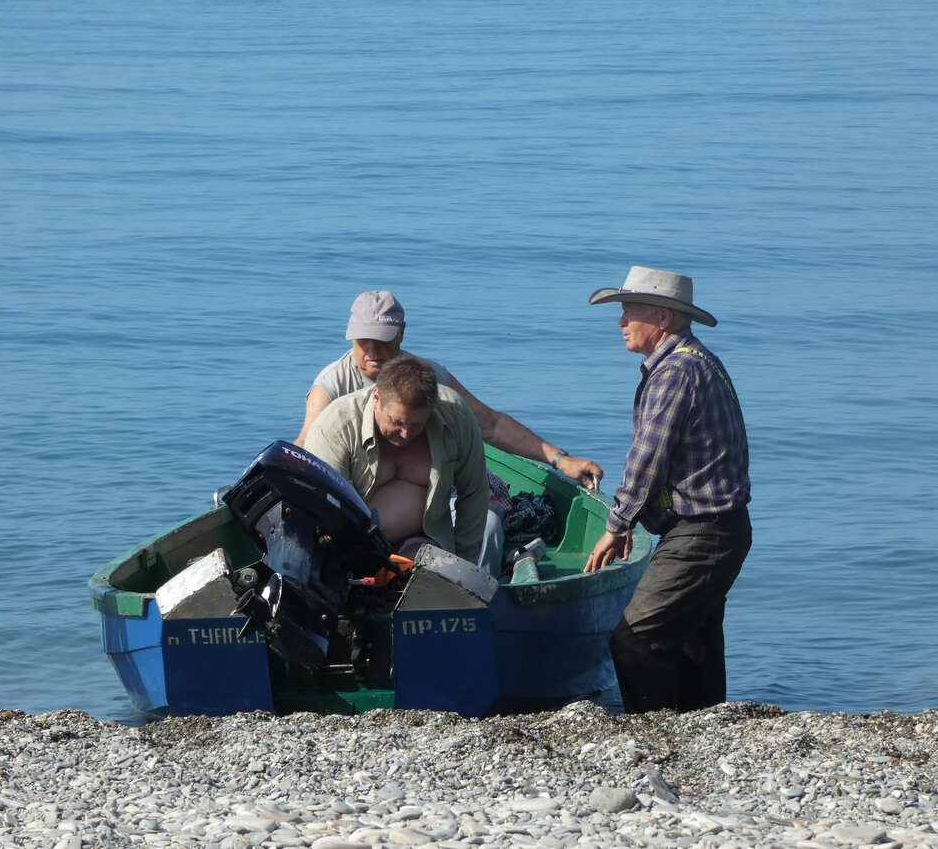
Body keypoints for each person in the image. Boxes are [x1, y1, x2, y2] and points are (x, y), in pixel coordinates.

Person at [584, 266, 750, 714]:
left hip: (703, 532)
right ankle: (702, 730)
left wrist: (617, 525)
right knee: (693, 643)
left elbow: (647, 458)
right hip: (718, 528)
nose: (620, 323)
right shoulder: (699, 360)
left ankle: (654, 733)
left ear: (660, 318)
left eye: (627, 311)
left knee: (636, 640)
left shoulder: (675, 372)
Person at [294, 290, 605, 489]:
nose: (373, 351)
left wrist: (561, 460)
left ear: (401, 334)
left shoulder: (427, 377)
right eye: (364, 341)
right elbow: (307, 444)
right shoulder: (332, 384)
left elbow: (491, 425)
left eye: (383, 340)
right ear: (351, 338)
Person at [304, 354, 496, 571]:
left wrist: (464, 565)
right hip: (348, 552)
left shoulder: (456, 415)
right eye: (397, 422)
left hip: (423, 542)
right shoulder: (334, 428)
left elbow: (473, 492)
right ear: (376, 398)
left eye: (416, 425)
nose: (405, 434)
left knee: (430, 573)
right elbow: (323, 512)